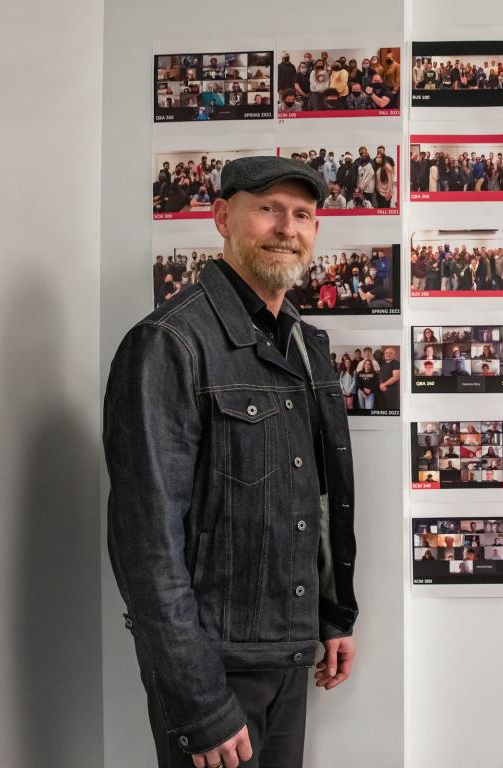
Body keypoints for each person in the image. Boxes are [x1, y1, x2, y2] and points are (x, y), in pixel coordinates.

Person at [105, 157, 357, 768]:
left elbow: (315, 496)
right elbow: (147, 544)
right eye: (268, 208)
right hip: (215, 671)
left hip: (290, 653)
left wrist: (332, 613)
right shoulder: (170, 342)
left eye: (302, 215)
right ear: (222, 217)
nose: (286, 227)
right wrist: (198, 700)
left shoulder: (305, 341)